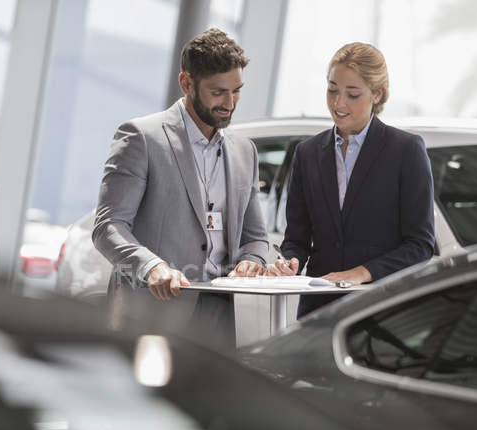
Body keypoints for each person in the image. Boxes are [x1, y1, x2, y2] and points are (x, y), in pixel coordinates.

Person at [93, 28, 267, 348]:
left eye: (237, 91)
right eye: (218, 92)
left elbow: (256, 237)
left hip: (220, 316)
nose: (229, 103)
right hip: (153, 312)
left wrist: (253, 261)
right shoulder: (141, 137)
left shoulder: (246, 151)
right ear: (186, 83)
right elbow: (108, 226)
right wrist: (152, 267)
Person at [267, 42, 435, 318]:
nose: (338, 103)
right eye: (332, 90)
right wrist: (290, 261)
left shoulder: (405, 151)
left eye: (352, 94)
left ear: (377, 94)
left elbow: (420, 245)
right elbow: (296, 238)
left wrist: (359, 274)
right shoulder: (307, 153)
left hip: (380, 310)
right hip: (317, 310)